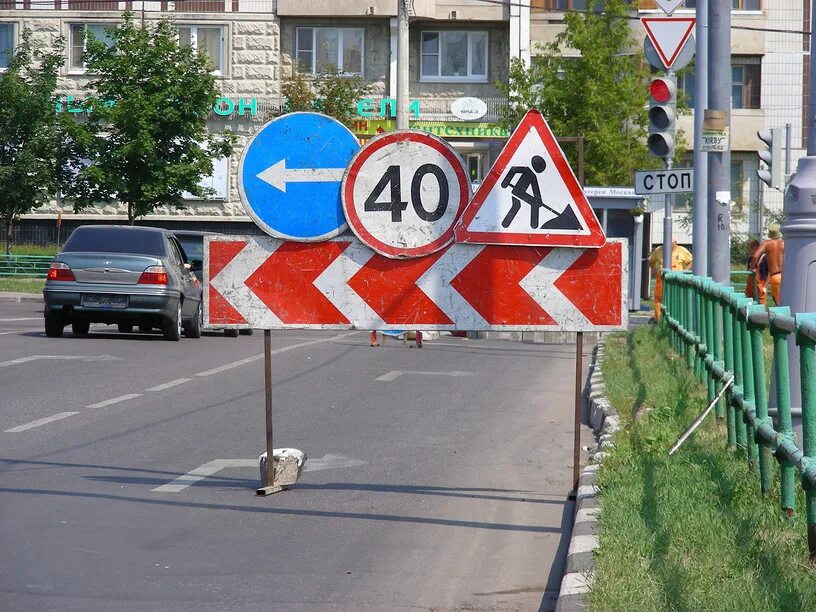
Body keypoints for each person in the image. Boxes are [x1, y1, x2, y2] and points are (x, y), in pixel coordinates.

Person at [648, 239, 693, 321]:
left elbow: (691, 261)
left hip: (677, 280)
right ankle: (659, 320)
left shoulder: (682, 250)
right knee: (659, 299)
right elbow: (650, 261)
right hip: (661, 278)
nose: (668, 245)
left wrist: (685, 271)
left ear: (675, 243)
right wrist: (655, 271)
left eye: (670, 243)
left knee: (677, 299)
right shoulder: (659, 250)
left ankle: (677, 319)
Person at [755, 225, 784, 305]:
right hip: (785, 276)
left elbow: (755, 256)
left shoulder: (767, 243)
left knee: (778, 303)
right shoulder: (784, 243)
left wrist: (753, 267)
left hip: (774, 275)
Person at [745, 239, 769, 305]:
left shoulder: (764, 258)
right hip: (751, 286)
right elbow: (749, 271)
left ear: (755, 248)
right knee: (749, 303)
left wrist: (765, 287)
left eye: (749, 249)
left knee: (761, 304)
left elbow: (769, 273)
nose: (748, 251)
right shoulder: (751, 259)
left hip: (761, 285)